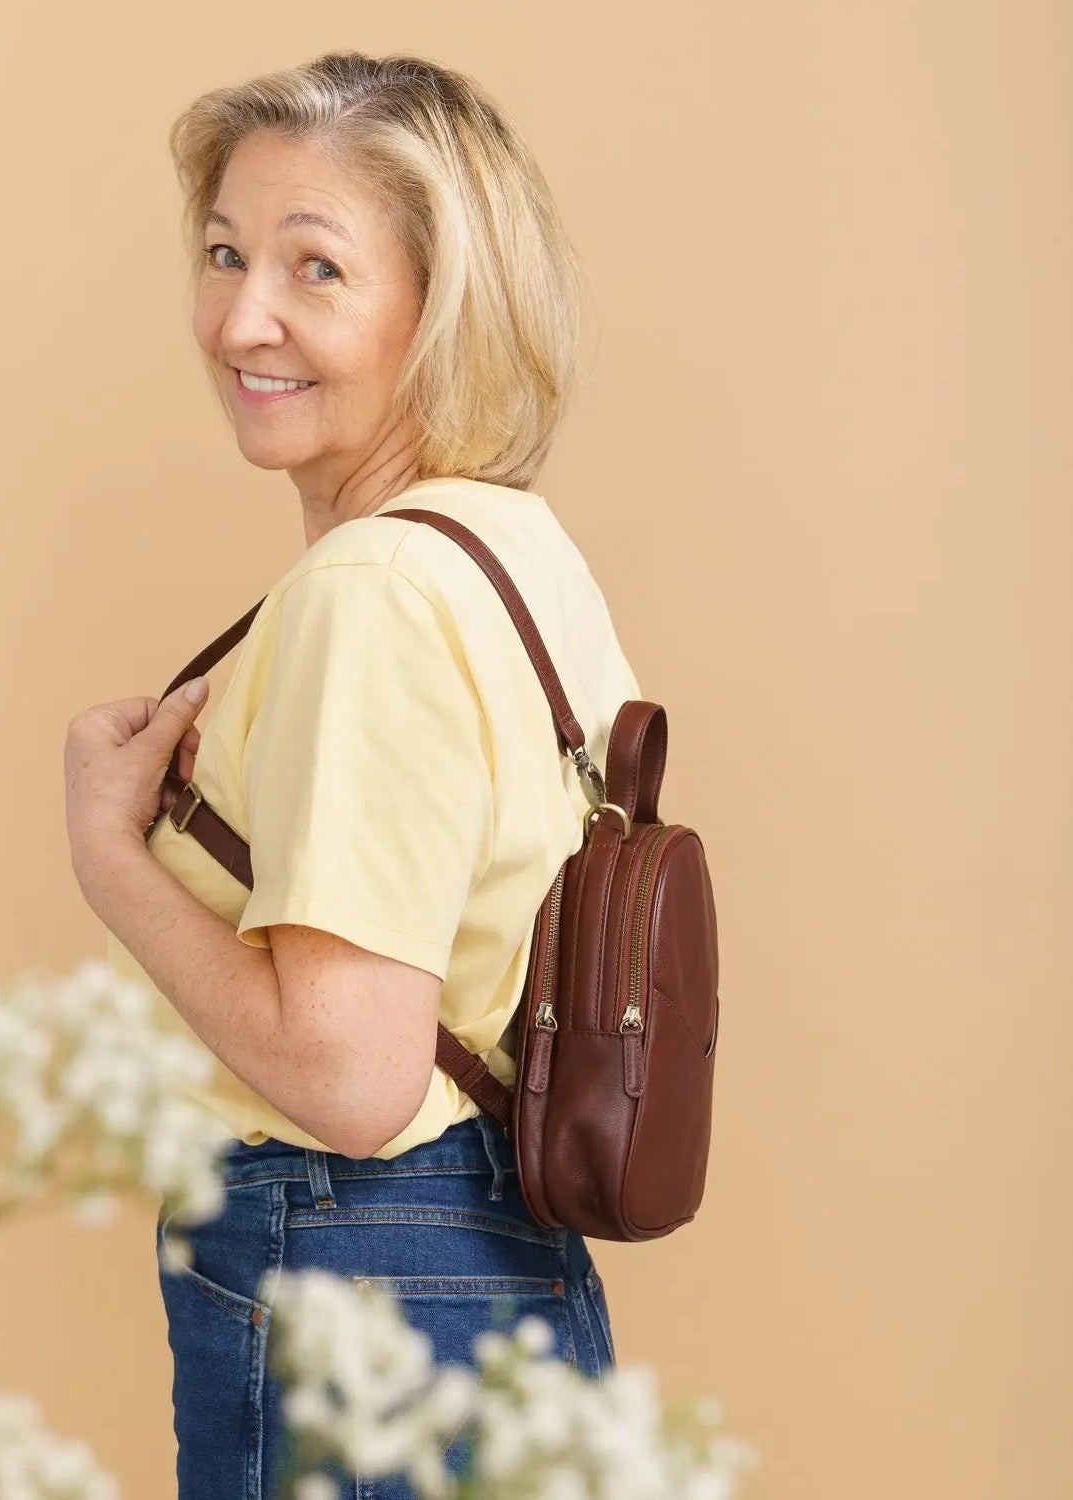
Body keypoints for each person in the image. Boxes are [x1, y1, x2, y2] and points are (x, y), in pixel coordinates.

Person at [63, 48, 641, 1499]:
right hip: (501, 1267)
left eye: (316, 269)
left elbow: (352, 1079)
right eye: (224, 252)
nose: (241, 318)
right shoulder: (513, 549)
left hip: (353, 1257)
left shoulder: (374, 592)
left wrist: (112, 859)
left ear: (439, 310)